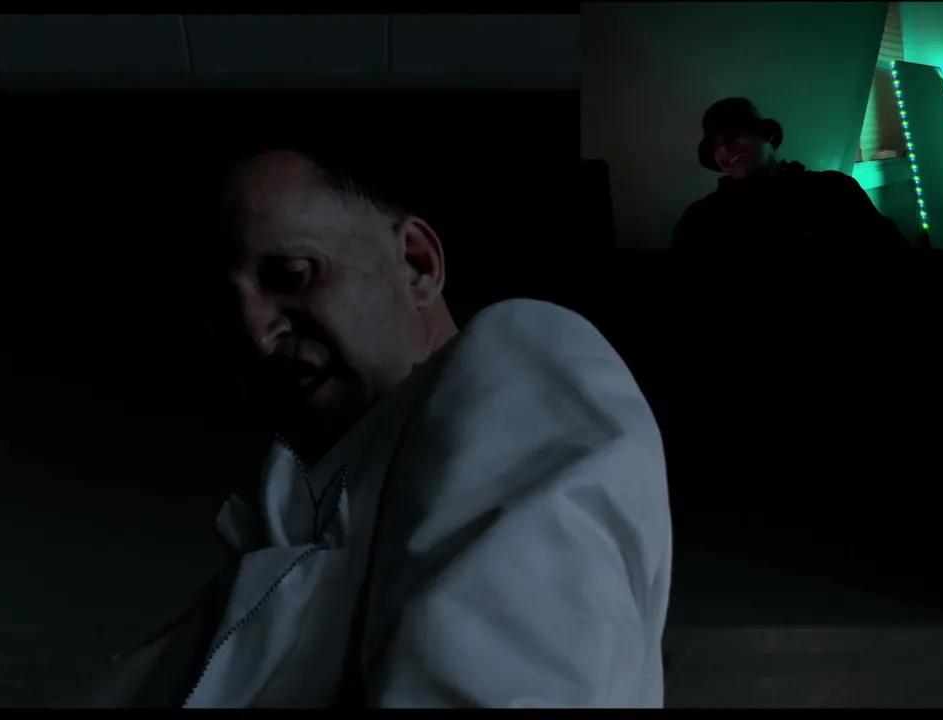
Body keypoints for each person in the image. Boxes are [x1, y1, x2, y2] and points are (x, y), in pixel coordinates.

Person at [85, 147, 673, 708]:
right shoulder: (329, 498)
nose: (255, 335)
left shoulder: (512, 361)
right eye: (224, 306)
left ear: (418, 264)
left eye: (292, 274)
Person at [672, 97, 908, 250]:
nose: (725, 149)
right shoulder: (701, 219)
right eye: (716, 145)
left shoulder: (833, 191)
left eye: (734, 135)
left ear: (765, 135)